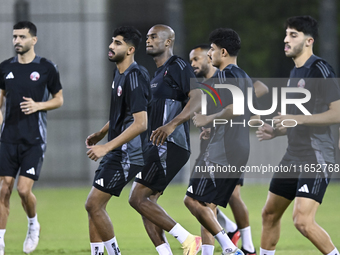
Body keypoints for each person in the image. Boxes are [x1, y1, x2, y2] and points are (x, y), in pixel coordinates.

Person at [256, 16, 340, 255]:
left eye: (293, 35)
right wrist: (277, 131)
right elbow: (297, 120)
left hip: (316, 155)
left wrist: (297, 119)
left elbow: (337, 113)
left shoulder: (320, 70)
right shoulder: (294, 73)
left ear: (309, 41)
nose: (286, 39)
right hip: (293, 155)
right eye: (286, 34)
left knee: (302, 221)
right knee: (269, 214)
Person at [184, 28, 259, 255]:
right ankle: (219, 250)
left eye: (213, 50)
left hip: (223, 149)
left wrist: (209, 118)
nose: (210, 55)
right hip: (238, 147)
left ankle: (229, 247)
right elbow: (250, 113)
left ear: (223, 52)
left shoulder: (226, 75)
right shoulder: (244, 76)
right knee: (208, 206)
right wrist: (214, 127)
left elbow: (234, 109)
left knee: (193, 201)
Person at [128, 24, 202, 255]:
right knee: (147, 204)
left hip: (171, 145)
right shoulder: (156, 76)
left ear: (168, 42)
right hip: (157, 146)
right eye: (147, 37)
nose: (148, 40)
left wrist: (172, 124)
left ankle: (189, 239)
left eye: (153, 37)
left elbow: (198, 97)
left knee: (137, 198)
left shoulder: (178, 65)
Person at [84, 26, 151, 255]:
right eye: (112, 41)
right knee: (95, 207)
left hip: (127, 153)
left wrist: (106, 147)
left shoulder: (135, 76)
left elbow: (141, 123)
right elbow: (121, 116)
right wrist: (103, 132)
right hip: (116, 149)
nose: (111, 46)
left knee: (93, 204)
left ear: (130, 50)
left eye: (118, 43)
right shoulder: (119, 74)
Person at [0, 21, 64, 254]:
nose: (17, 41)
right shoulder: (5, 67)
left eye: (22, 37)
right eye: (15, 37)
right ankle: (0, 242)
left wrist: (39, 105)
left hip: (34, 140)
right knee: (4, 188)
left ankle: (32, 224)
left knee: (23, 190)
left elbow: (58, 99)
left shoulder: (47, 67)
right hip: (8, 139)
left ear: (33, 40)